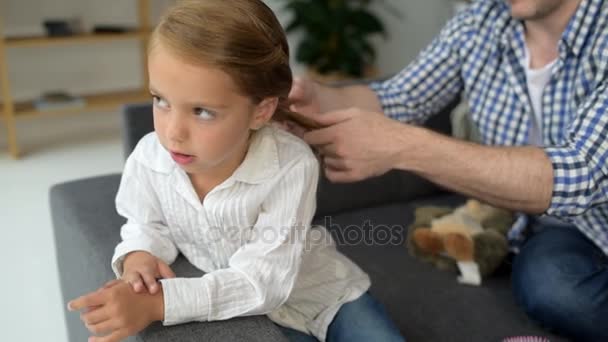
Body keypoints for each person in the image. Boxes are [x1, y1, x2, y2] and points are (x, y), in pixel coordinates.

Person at [66, 1, 405, 341]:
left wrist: (161, 304)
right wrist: (140, 254)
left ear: (261, 111)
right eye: (161, 100)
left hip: (325, 297)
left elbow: (264, 280)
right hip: (259, 313)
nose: (173, 132)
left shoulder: (290, 165)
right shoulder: (148, 158)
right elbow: (144, 221)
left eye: (201, 111)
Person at [286, 0, 608, 340]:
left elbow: (577, 174)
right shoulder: (481, 22)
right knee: (549, 283)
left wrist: (403, 146)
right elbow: (399, 96)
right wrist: (319, 100)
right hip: (564, 229)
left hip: (591, 210)